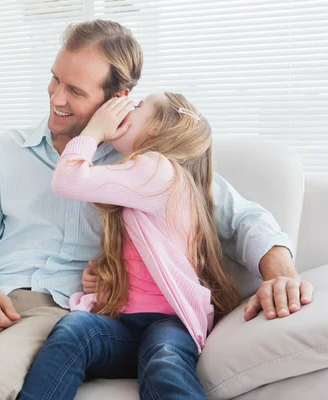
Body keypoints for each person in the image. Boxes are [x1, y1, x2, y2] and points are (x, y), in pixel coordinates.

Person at [0, 20, 313, 400]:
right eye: (54, 80)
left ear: (119, 100)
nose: (56, 98)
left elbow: (244, 218)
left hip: (60, 312)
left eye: (75, 90)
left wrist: (281, 273)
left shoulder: (144, 167)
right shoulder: (6, 150)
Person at [20, 92, 237, 400]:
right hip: (124, 327)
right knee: (75, 329)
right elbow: (148, 260)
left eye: (137, 106)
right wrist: (102, 283)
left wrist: (93, 131)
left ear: (156, 130)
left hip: (169, 322)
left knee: (164, 358)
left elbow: (67, 180)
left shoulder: (158, 169)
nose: (124, 109)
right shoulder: (138, 174)